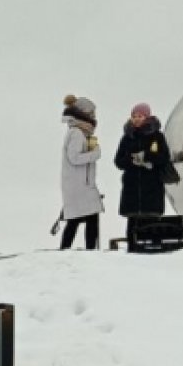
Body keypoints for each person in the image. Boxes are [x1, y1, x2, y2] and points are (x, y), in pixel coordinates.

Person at [114, 102, 170, 245]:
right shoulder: (127, 137)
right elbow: (118, 161)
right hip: (132, 188)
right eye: (134, 116)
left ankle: (153, 253)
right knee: (132, 224)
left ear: (147, 117)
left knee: (151, 225)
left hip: (151, 188)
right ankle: (132, 251)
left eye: (140, 116)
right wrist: (131, 160)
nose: (136, 119)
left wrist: (147, 157)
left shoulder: (157, 136)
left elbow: (164, 158)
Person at [60, 94, 104, 250]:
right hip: (79, 186)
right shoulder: (77, 133)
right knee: (85, 218)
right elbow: (74, 157)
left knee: (78, 219)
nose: (94, 117)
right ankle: (89, 250)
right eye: (92, 114)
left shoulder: (79, 132)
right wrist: (95, 154)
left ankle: (67, 249)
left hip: (80, 185)